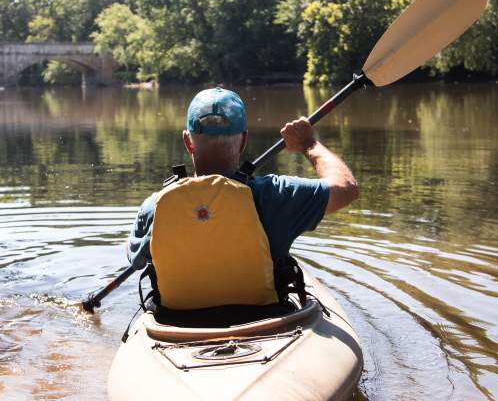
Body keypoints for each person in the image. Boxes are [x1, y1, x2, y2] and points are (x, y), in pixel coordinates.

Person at [126, 87, 358, 316]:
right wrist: (309, 145)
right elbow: (347, 188)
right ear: (243, 141)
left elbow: (134, 259)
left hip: (175, 326)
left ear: (188, 142)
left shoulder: (155, 207)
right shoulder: (276, 196)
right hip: (266, 321)